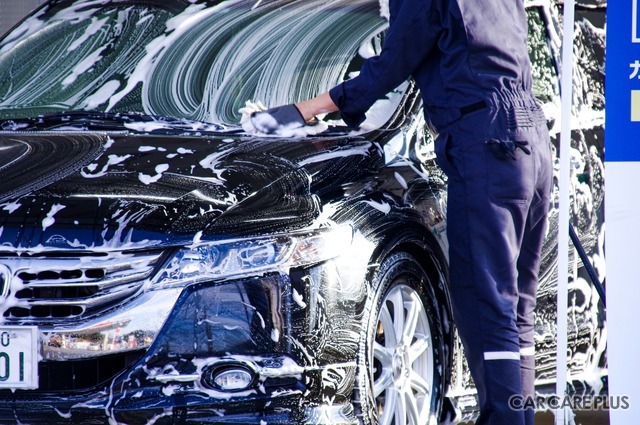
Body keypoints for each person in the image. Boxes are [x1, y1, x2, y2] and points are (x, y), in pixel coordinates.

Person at [244, 0, 552, 424]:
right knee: (515, 305)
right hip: (529, 138)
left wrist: (306, 110)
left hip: (486, 144)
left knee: (488, 300)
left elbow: (392, 63)